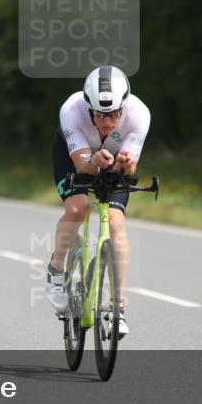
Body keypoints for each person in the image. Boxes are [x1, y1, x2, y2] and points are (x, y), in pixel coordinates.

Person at [46, 66, 150, 338]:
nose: (107, 122)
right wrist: (94, 161)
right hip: (75, 158)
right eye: (101, 115)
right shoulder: (72, 110)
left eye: (114, 114)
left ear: (124, 107)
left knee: (116, 223)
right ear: (89, 108)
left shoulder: (139, 114)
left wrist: (125, 165)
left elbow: (130, 167)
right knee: (79, 207)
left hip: (113, 162)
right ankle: (56, 270)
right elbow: (81, 166)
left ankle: (118, 307)